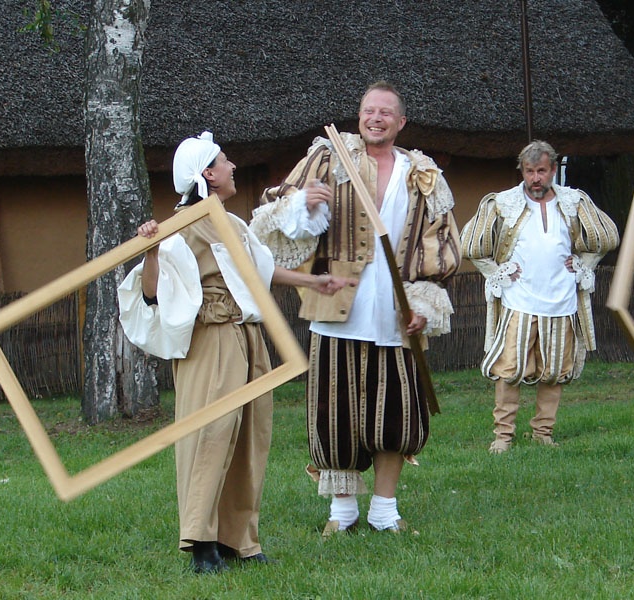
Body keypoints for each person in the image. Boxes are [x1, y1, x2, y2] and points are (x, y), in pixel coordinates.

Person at [117, 132, 355, 573]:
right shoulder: (183, 225)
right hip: (211, 340)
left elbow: (261, 270)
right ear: (207, 173)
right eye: (225, 162)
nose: (232, 168)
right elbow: (153, 291)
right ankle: (200, 543)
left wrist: (313, 282)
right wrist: (149, 251)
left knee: (249, 436)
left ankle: (238, 540)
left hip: (247, 337)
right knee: (211, 435)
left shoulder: (233, 223)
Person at [250, 81, 461, 536]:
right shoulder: (330, 157)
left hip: (394, 316)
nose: (376, 118)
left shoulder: (422, 173)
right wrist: (302, 205)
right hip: (336, 309)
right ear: (359, 116)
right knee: (335, 416)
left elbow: (440, 246)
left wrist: (423, 302)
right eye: (369, 110)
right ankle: (341, 513)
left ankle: (384, 510)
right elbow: (273, 216)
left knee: (398, 416)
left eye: (386, 112)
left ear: (401, 122)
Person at [461, 141, 619, 453]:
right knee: (510, 369)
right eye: (530, 171)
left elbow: (606, 237)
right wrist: (498, 271)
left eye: (542, 171)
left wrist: (582, 265)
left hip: (561, 301)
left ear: (553, 170)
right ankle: (503, 436)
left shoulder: (573, 202)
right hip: (519, 301)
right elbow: (471, 246)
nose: (536, 178)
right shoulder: (503, 203)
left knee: (555, 371)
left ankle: (543, 433)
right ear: (522, 171)